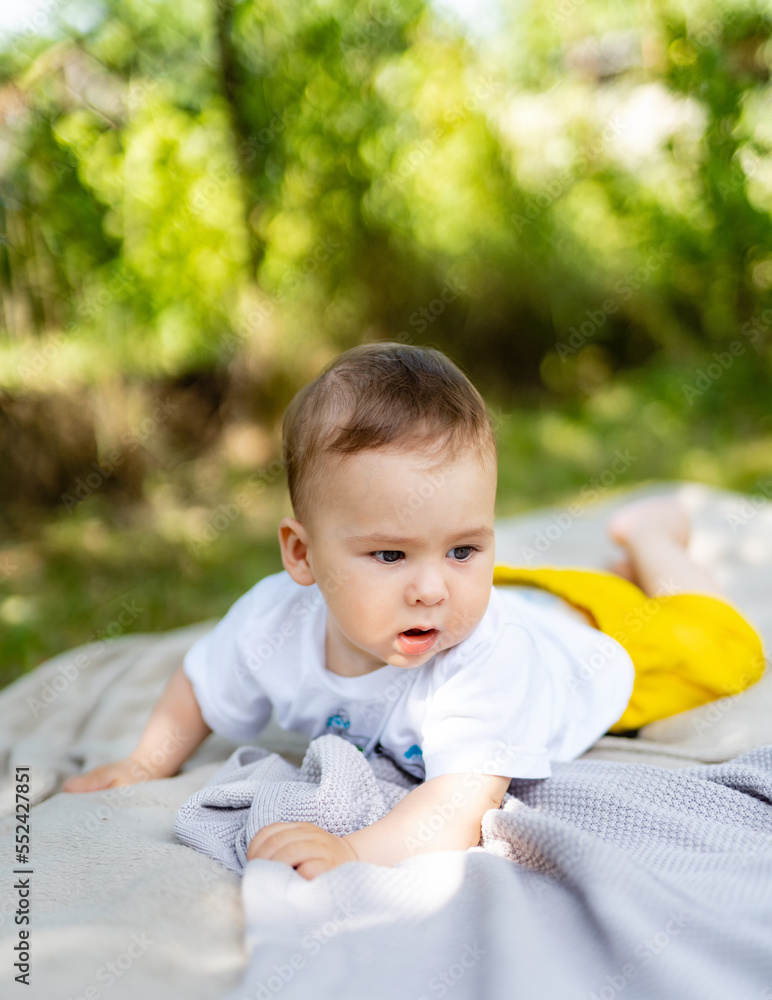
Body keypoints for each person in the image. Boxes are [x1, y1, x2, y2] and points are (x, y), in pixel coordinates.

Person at [63, 343, 765, 880]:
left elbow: (461, 806)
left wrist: (352, 850)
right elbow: (201, 681)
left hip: (591, 647)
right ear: (302, 556)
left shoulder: (485, 661)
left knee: (718, 638)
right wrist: (144, 763)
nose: (430, 588)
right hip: (521, 600)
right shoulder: (270, 623)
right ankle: (581, 568)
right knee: (508, 593)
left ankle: (652, 537)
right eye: (391, 556)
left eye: (465, 547)